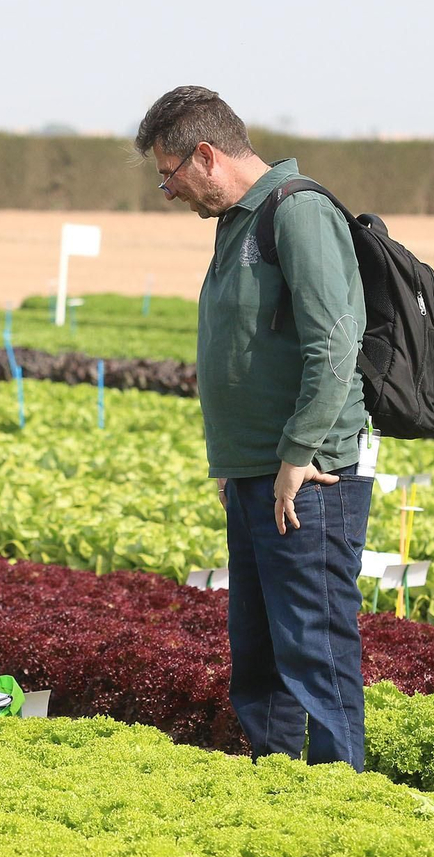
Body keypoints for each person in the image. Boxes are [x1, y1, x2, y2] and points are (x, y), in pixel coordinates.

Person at [135, 86, 373, 769]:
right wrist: (234, 463)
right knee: (260, 649)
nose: (168, 190)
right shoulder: (237, 220)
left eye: (170, 174)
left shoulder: (296, 212)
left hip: (309, 474)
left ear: (206, 156)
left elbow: (333, 342)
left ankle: (338, 795)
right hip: (253, 472)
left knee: (314, 645)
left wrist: (296, 454)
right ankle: (271, 782)